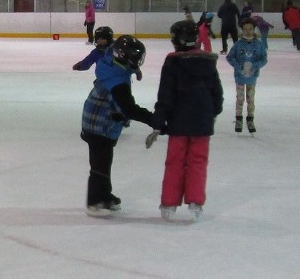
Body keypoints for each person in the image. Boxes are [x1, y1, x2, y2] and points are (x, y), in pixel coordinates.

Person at [144, 20, 222, 222]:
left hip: (178, 122)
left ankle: (169, 202)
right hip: (202, 122)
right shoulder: (207, 61)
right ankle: (196, 201)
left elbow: (166, 95)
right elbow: (217, 92)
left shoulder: (173, 62)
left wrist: (158, 123)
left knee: (175, 162)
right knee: (198, 162)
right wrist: (212, 112)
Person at [78, 35, 154, 217]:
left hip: (100, 121)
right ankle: (95, 201)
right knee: (99, 164)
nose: (136, 63)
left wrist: (133, 70)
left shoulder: (112, 64)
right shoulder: (117, 81)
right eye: (134, 59)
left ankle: (104, 194)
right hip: (98, 125)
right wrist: (154, 119)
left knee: (104, 160)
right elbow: (129, 108)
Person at [225, 18, 268, 134]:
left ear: (254, 30)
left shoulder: (259, 45)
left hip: (252, 77)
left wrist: (255, 66)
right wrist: (238, 67)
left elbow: (264, 59)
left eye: (250, 29)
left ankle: (250, 119)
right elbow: (229, 57)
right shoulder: (238, 44)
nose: (248, 31)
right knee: (240, 98)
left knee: (250, 98)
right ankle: (238, 119)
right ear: (242, 30)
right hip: (239, 77)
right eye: (245, 29)